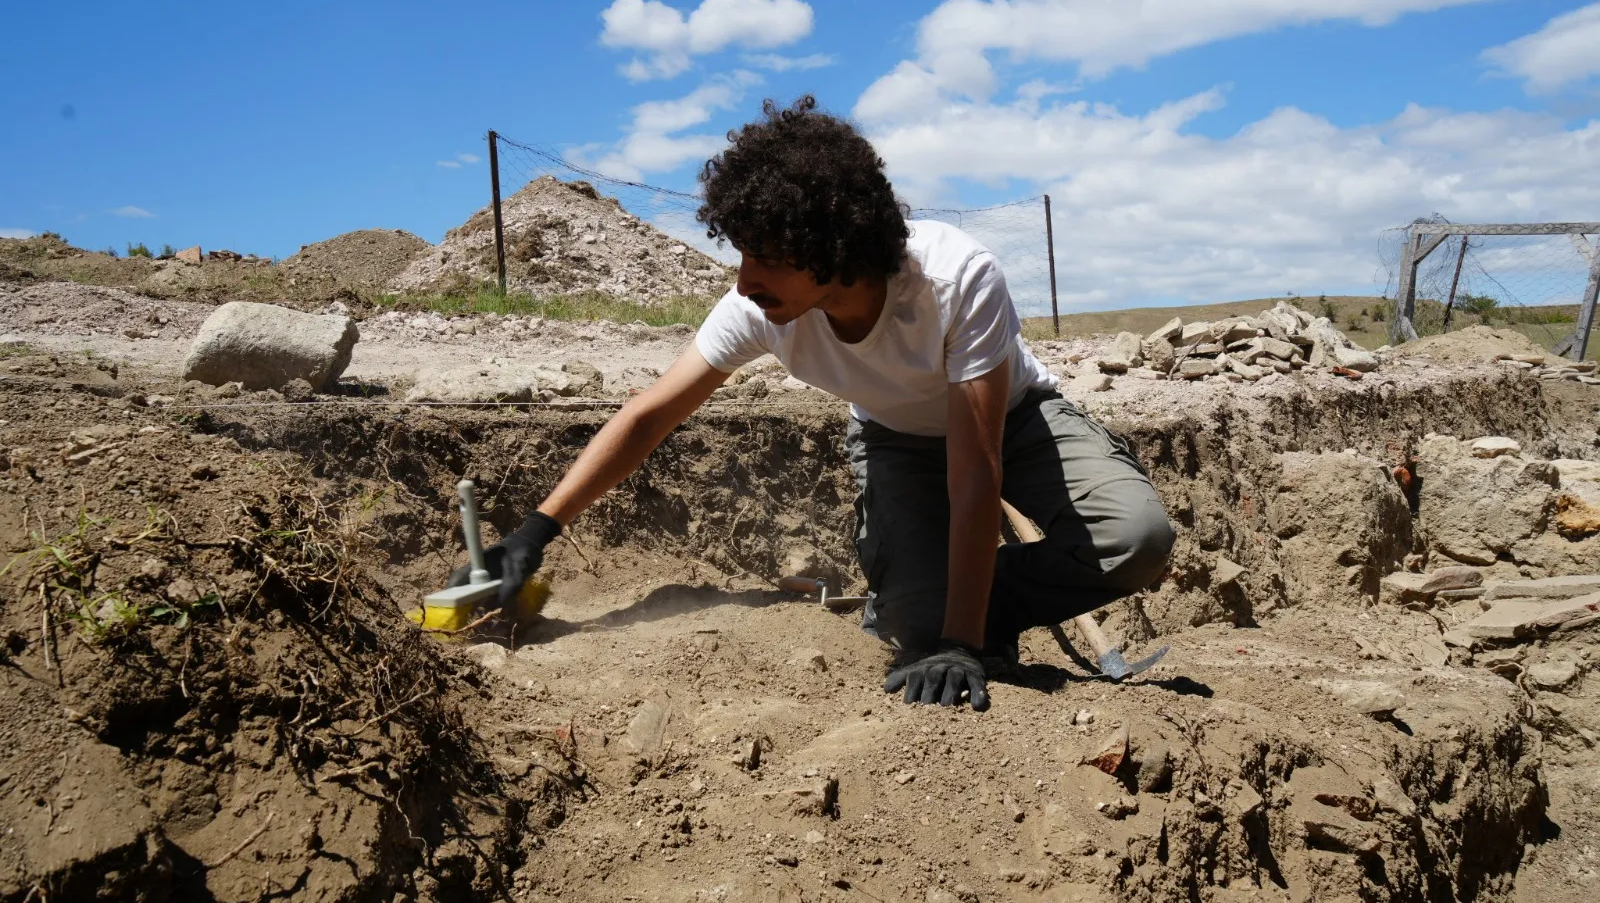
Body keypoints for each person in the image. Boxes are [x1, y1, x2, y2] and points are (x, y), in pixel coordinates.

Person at [460, 96, 1175, 711]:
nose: (743, 281)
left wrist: (962, 640)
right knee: (913, 625)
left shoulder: (958, 279)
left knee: (1135, 539)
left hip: (1013, 422)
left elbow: (976, 468)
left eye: (765, 257)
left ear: (835, 246)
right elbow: (651, 415)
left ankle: (969, 612)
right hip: (895, 438)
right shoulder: (762, 310)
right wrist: (534, 533)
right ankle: (937, 605)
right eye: (740, 253)